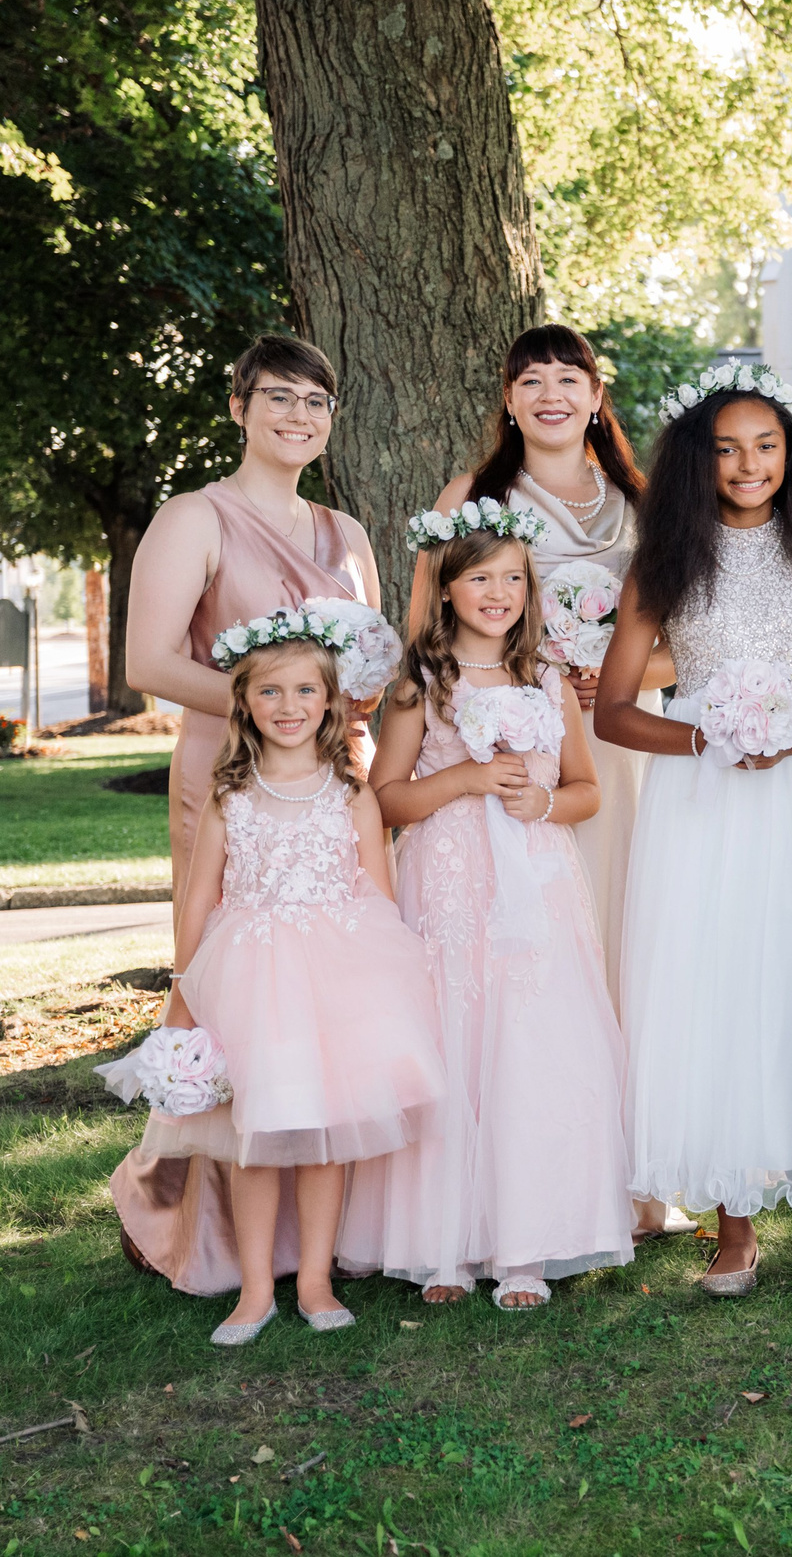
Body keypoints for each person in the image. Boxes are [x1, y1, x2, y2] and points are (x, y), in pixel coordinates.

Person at [594, 368, 792, 1296]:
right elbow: (613, 712)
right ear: (698, 459)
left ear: (790, 453)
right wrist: (709, 735)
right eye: (727, 447)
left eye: (765, 445)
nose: (749, 463)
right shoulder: (666, 564)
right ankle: (731, 1221)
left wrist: (786, 738)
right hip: (698, 798)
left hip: (790, 797)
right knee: (712, 983)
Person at [114, 334, 388, 1296]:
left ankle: (326, 1231)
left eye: (317, 402)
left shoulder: (347, 533)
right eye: (278, 397)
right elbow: (148, 661)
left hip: (333, 784)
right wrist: (272, 709)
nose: (298, 416)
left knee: (327, 992)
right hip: (230, 774)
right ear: (238, 407)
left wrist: (340, 717)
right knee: (232, 985)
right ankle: (197, 1211)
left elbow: (371, 666)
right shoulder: (195, 517)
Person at [420, 322, 683, 1241]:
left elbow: (686, 639)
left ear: (597, 394)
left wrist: (614, 676)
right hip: (511, 753)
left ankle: (632, 1170)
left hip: (621, 746)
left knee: (623, 938)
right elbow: (429, 628)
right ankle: (524, 1173)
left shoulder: (643, 503)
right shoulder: (476, 496)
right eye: (530, 380)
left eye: (568, 378)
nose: (550, 395)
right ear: (507, 398)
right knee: (528, 955)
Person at [118, 616, 442, 1341]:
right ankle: (256, 1290)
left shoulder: (352, 795)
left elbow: (378, 894)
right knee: (252, 1139)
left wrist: (379, 985)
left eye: (304, 689)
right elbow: (201, 897)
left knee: (324, 1134)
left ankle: (318, 1283)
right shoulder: (231, 796)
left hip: (336, 978)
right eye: (270, 691)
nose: (288, 704)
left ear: (330, 701)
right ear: (245, 702)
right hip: (251, 980)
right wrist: (184, 992)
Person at [342, 505, 634, 1310]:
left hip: (536, 888)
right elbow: (388, 798)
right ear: (447, 588)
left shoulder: (547, 679)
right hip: (447, 887)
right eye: (479, 577)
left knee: (530, 1049)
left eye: (512, 576)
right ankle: (440, 1243)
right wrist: (466, 781)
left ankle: (524, 1244)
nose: (498, 591)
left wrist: (542, 802)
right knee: (452, 1042)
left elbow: (586, 789)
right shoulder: (420, 685)